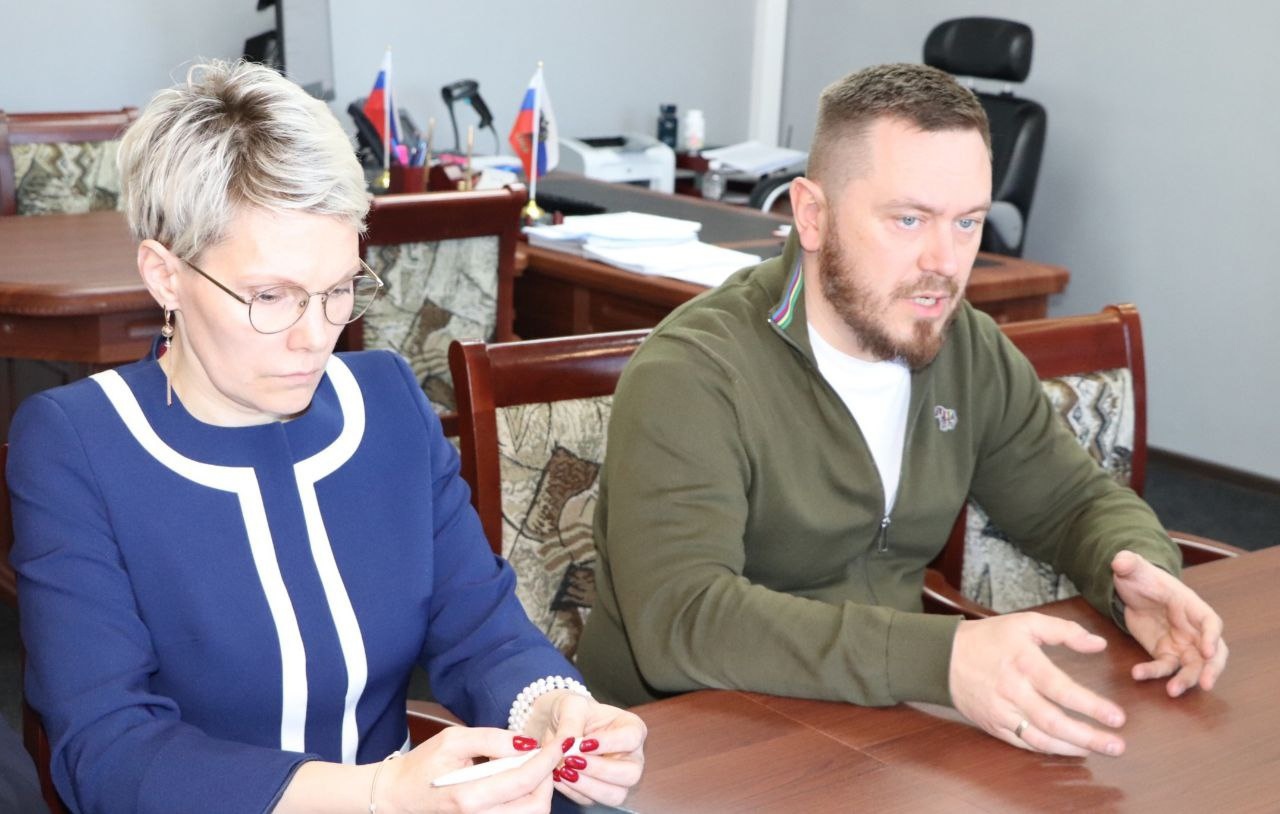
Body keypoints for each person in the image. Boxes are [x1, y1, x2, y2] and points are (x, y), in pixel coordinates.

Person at [7, 60, 644, 814]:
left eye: (339, 289)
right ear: (165, 275)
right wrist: (376, 792)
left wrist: (549, 707)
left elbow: (480, 629)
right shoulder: (78, 444)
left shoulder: (386, 400)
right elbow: (109, 750)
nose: (315, 337)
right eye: (270, 295)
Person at [576, 63, 1227, 759]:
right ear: (813, 215)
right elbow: (682, 619)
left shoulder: (966, 347)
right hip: (679, 752)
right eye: (909, 219)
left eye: (967, 222)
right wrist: (939, 658)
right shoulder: (695, 370)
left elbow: (1073, 503)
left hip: (875, 733)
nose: (944, 261)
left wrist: (1137, 571)